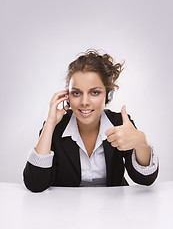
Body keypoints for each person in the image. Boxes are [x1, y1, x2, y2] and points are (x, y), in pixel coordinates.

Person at [23, 49, 159, 192]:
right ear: (67, 96)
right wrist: (50, 123)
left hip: (113, 209)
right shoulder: (57, 126)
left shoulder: (120, 123)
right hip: (65, 209)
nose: (84, 102)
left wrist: (141, 143)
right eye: (76, 93)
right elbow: (35, 184)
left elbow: (146, 179)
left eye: (95, 92)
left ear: (108, 95)